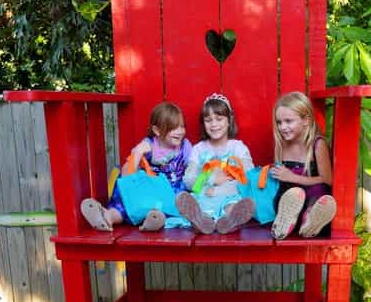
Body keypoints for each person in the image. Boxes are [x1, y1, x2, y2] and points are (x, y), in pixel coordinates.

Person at [81, 102, 192, 232]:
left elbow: (192, 169)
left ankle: (153, 220)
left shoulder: (185, 146)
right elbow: (127, 176)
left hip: (170, 193)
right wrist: (138, 153)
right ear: (157, 130)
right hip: (146, 192)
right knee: (126, 196)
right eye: (173, 128)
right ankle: (108, 216)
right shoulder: (148, 146)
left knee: (175, 202)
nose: (180, 132)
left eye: (182, 126)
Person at [176, 93, 255, 234]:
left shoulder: (238, 148)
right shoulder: (198, 149)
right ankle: (201, 222)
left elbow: (248, 179)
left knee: (232, 206)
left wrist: (220, 190)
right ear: (203, 123)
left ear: (229, 120)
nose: (214, 125)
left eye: (219, 119)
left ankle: (229, 221)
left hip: (229, 195)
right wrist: (210, 178)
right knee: (196, 206)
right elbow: (189, 181)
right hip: (203, 196)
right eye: (208, 120)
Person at [270, 91, 336, 239]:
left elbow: (327, 180)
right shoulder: (282, 144)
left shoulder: (317, 145)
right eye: (279, 122)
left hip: (312, 196)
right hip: (289, 199)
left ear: (306, 120)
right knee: (292, 195)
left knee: (317, 192)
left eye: (288, 121)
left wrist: (292, 177)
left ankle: (310, 221)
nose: (282, 127)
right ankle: (286, 222)